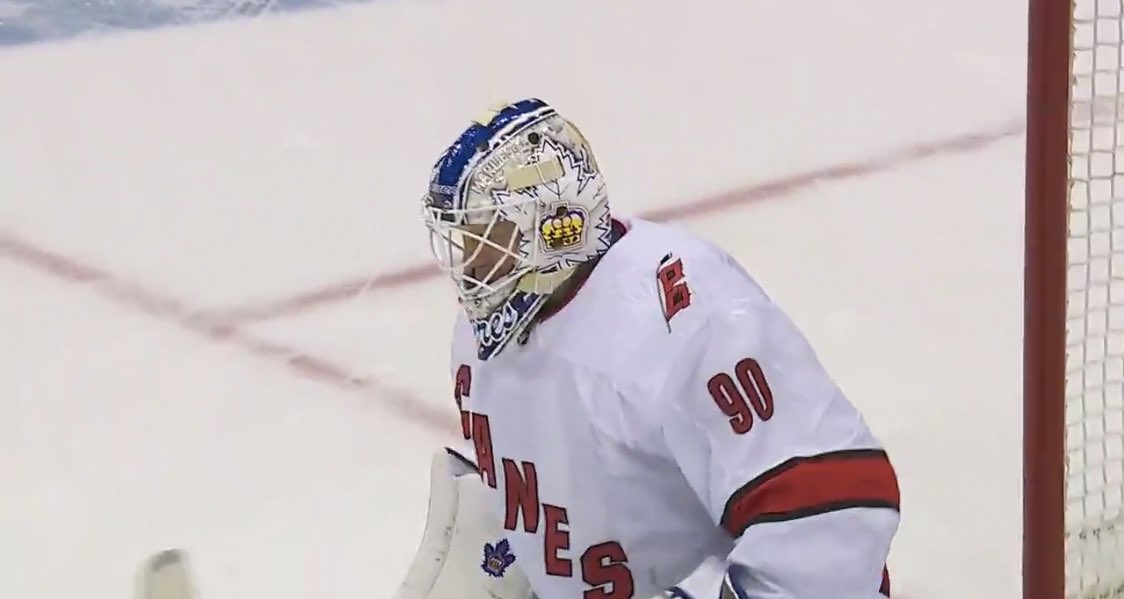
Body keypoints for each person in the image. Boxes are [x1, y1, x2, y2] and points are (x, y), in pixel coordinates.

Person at [391, 98, 900, 599]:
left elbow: (832, 508)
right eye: (465, 241)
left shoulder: (688, 319)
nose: (471, 266)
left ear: (550, 227)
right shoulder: (482, 335)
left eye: (488, 236)